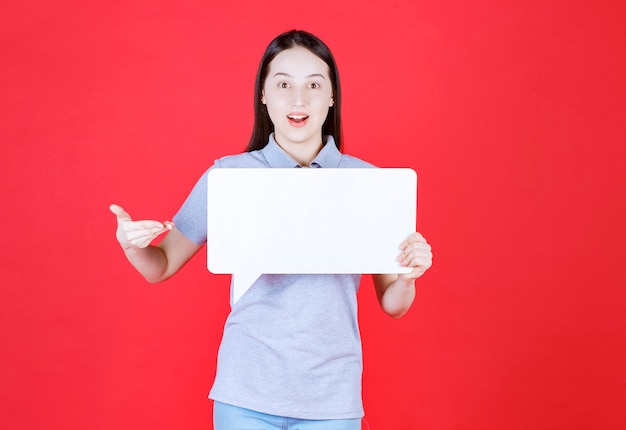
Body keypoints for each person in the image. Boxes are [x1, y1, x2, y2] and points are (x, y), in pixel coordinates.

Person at [110, 30, 433, 430]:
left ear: (332, 96)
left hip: (332, 397)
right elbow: (159, 265)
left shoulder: (367, 182)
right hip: (244, 393)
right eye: (283, 85)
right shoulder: (229, 177)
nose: (299, 100)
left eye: (314, 85)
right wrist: (131, 245)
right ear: (263, 95)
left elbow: (393, 304)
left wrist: (408, 276)